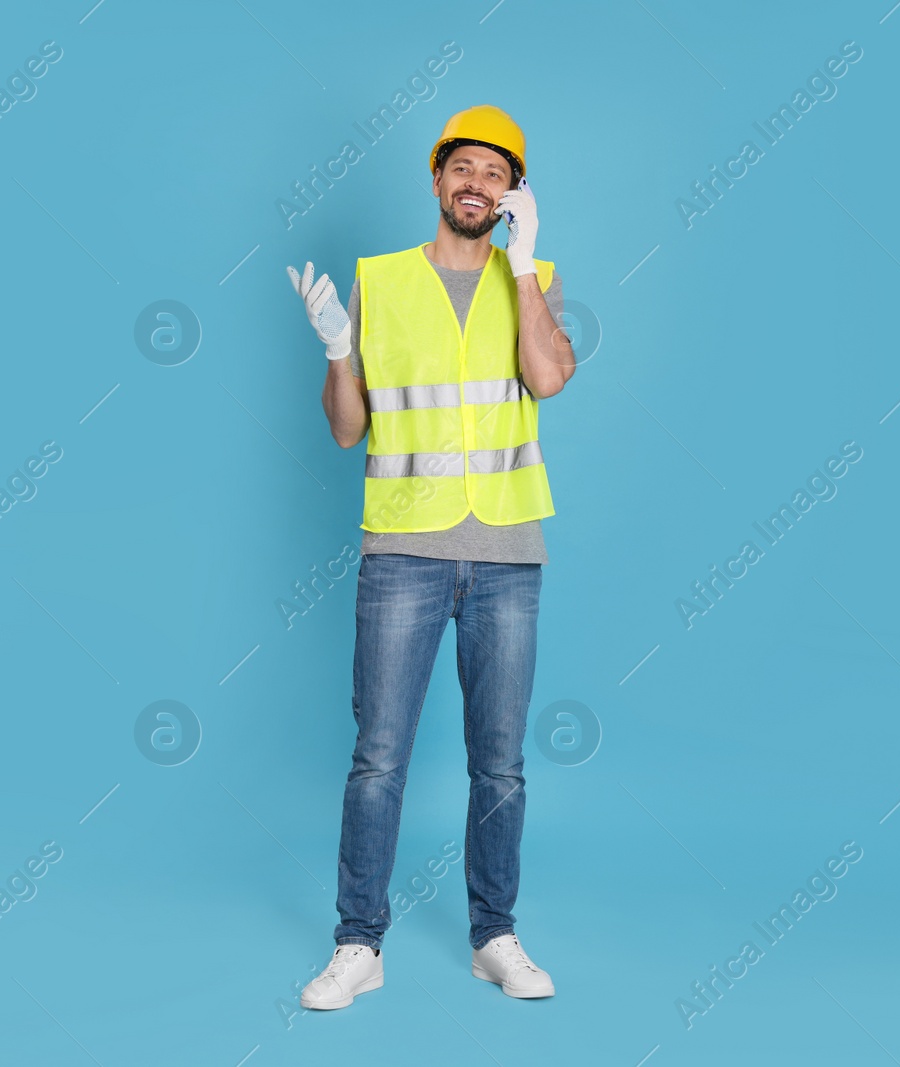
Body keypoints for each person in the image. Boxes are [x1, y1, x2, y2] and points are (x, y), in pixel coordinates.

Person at [285, 104, 576, 1009]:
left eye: (497, 172)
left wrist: (524, 268)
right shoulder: (381, 280)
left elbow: (550, 376)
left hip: (506, 551)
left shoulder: (537, 278)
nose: (477, 183)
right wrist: (339, 350)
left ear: (514, 193)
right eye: (464, 167)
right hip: (403, 549)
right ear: (437, 178)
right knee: (379, 757)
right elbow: (346, 431)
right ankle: (358, 944)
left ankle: (496, 935)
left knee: (502, 763)